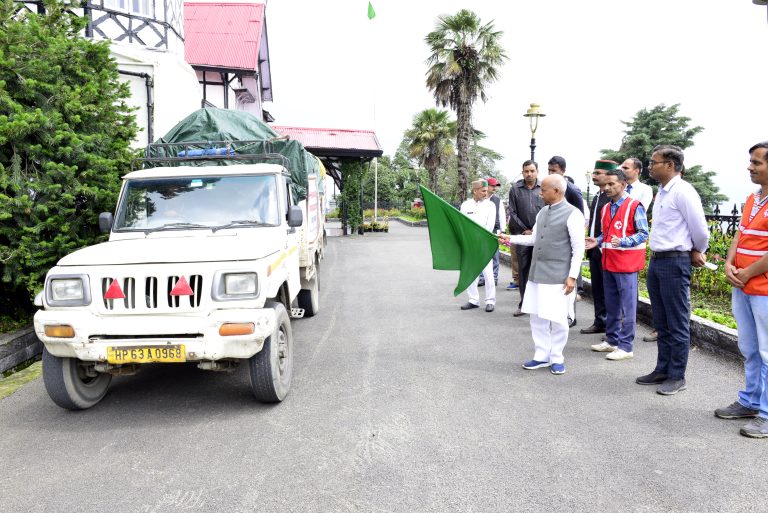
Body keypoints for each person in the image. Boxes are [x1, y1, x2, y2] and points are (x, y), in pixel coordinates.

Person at [636, 145, 709, 395]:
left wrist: (698, 249)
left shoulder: (683, 192)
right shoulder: (663, 192)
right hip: (658, 261)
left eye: (654, 162)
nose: (650, 166)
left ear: (669, 165)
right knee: (662, 320)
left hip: (676, 260)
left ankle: (677, 376)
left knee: (677, 321)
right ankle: (662, 369)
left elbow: (699, 228)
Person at [499, 174, 585, 375]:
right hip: (537, 274)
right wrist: (509, 238)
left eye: (544, 189)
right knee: (537, 316)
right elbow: (534, 240)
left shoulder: (573, 214)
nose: (540, 193)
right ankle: (541, 355)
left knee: (557, 319)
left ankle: (557, 357)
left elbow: (578, 247)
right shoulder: (543, 212)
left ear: (556, 191)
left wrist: (572, 276)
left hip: (558, 276)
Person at [715, 141, 768, 438]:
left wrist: (747, 272)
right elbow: (740, 235)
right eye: (751, 161)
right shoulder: (752, 198)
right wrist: (729, 264)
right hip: (744, 286)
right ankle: (750, 401)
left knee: (767, 351)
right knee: (749, 348)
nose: (750, 167)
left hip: (763, 288)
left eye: (757, 162)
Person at [585, 168, 649, 360]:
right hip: (609, 261)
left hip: (626, 264)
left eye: (611, 184)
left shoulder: (634, 206)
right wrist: (598, 240)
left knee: (627, 307)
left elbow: (643, 233)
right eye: (605, 184)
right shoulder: (606, 207)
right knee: (611, 304)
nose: (607, 188)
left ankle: (626, 346)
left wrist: (623, 242)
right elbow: (608, 233)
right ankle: (612, 340)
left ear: (623, 184)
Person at [620, 157, 658, 342]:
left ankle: (628, 325)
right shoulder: (618, 187)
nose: (622, 169)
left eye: (626, 167)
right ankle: (620, 322)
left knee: (630, 286)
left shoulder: (644, 190)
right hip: (616, 243)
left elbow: (636, 212)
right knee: (618, 287)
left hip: (633, 243)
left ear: (636, 171)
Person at [548, 155, 584, 327]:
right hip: (555, 242)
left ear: (563, 171)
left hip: (569, 239)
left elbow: (580, 216)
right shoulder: (549, 187)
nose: (551, 173)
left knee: (570, 278)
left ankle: (571, 316)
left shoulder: (572, 190)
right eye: (549, 170)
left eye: (554, 171)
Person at [580, 160, 615, 336]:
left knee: (610, 289)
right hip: (594, 249)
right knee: (598, 288)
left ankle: (613, 325)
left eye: (598, 173)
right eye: (594, 173)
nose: (594, 176)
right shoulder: (598, 196)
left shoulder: (612, 197)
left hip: (607, 249)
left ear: (610, 175)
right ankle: (600, 321)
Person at [507, 160, 544, 317]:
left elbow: (548, 209)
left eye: (532, 171)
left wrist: (536, 230)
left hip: (541, 236)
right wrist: (526, 230)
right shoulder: (515, 189)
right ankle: (524, 304)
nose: (529, 174)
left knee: (541, 271)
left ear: (537, 171)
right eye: (526, 171)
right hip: (523, 235)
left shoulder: (544, 187)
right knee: (523, 270)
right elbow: (512, 212)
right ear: (522, 172)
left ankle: (540, 305)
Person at [460, 180, 497, 312]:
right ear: (475, 191)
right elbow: (462, 224)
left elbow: (490, 225)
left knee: (488, 274)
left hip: (484, 243)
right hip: (470, 244)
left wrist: (481, 239)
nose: (486, 193)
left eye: (486, 191)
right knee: (471, 272)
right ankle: (473, 300)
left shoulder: (491, 206)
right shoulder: (465, 205)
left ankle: (490, 301)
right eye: (483, 191)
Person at [479, 177, 506, 287]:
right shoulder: (480, 200)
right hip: (481, 231)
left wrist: (502, 231)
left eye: (495, 186)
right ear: (486, 186)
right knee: (482, 255)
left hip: (495, 231)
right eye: (492, 186)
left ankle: (494, 278)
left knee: (494, 256)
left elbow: (502, 216)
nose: (494, 188)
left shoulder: (498, 201)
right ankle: (482, 278)